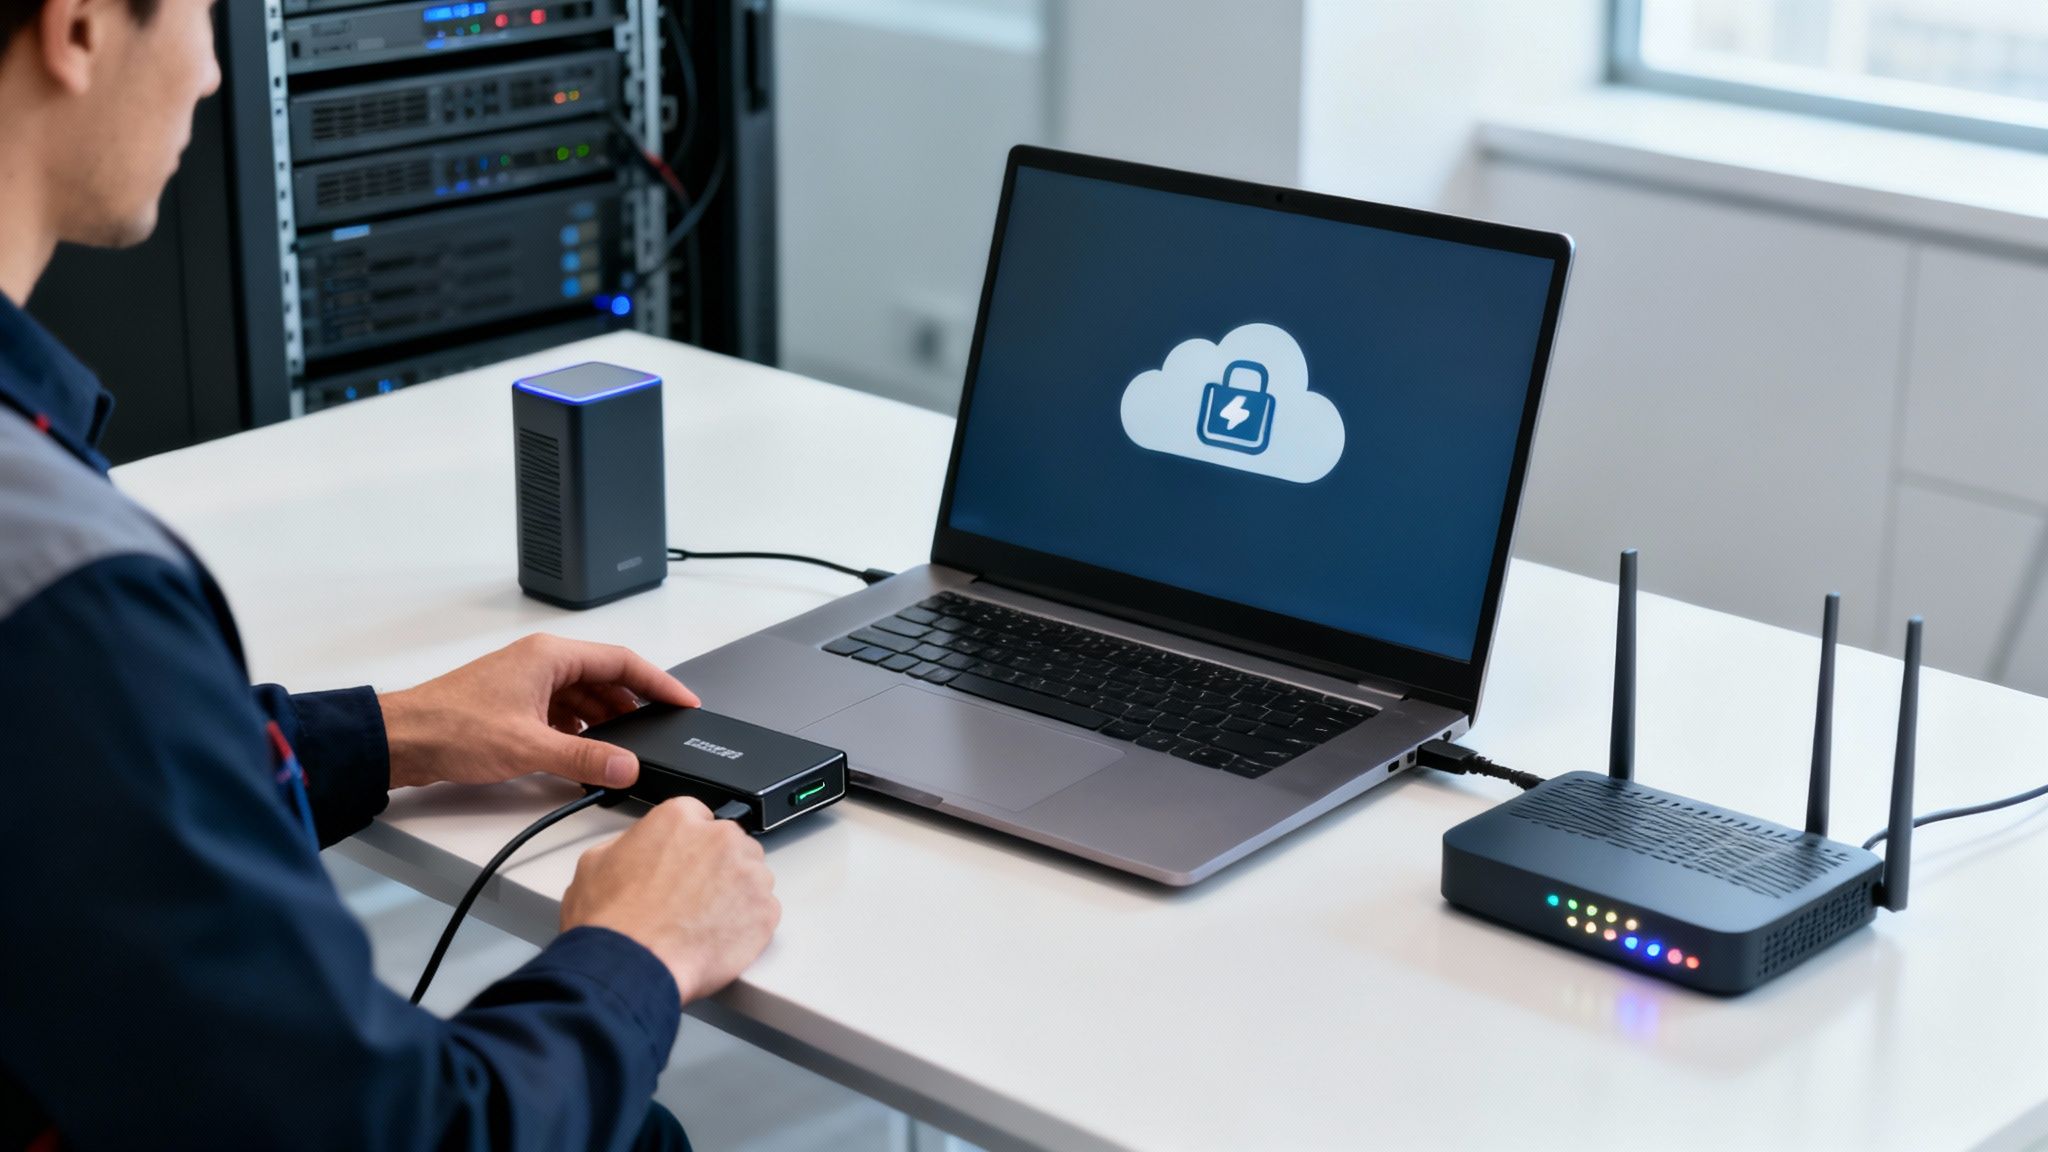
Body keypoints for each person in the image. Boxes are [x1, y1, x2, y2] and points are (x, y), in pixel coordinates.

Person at [0, 1, 783, 1147]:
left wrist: (393, 731)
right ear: (76, 28)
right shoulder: (65, 589)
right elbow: (401, 1133)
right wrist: (641, 946)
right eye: (203, 16)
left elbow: (62, 789)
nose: (215, 75)